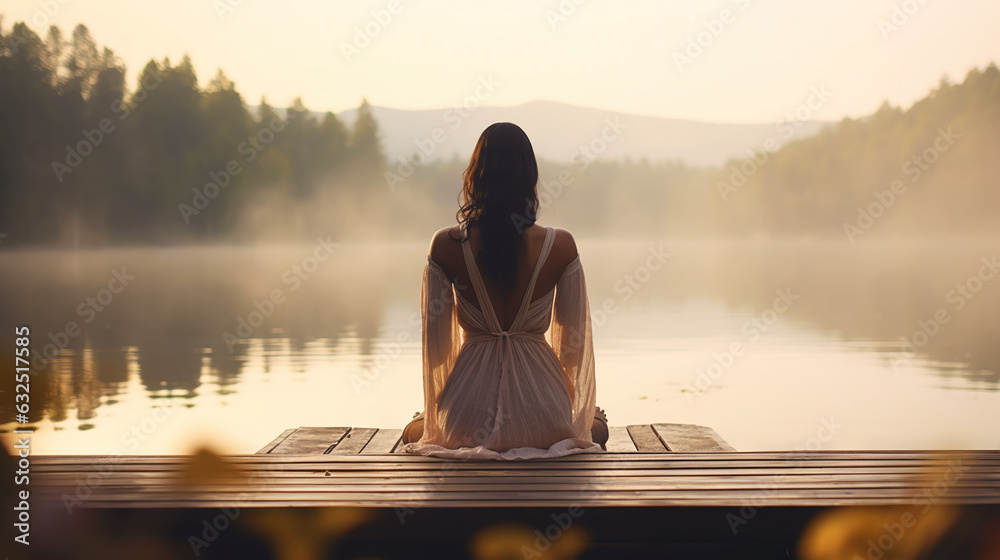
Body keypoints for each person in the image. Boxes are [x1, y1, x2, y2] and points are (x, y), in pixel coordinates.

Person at [400, 122, 608, 460]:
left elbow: (437, 354)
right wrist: (571, 410)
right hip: (544, 412)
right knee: (596, 423)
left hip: (467, 416)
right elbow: (573, 351)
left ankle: (428, 421)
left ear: (476, 176)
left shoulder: (444, 245)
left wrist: (437, 415)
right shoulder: (561, 246)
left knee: (416, 428)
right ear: (529, 178)